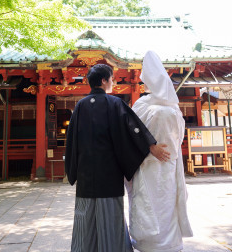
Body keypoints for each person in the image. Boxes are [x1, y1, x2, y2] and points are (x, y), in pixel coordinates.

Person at [65, 63, 170, 252]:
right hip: (109, 174)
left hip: (86, 174)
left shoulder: (80, 106)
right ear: (104, 80)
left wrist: (72, 170)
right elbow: (133, 128)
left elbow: (71, 140)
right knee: (111, 219)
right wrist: (151, 146)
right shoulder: (114, 104)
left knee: (84, 218)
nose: (113, 82)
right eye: (112, 78)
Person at [125, 51, 193, 252]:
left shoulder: (142, 105)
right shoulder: (174, 108)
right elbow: (179, 137)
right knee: (167, 202)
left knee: (150, 203)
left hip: (147, 163)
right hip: (168, 162)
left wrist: (148, 147)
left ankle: (149, 244)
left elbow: (129, 134)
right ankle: (170, 243)